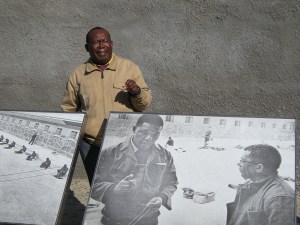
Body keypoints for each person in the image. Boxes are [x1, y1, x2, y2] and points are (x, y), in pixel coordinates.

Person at [60, 27, 152, 184]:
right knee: (97, 188)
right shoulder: (78, 74)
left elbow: (144, 104)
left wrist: (136, 92)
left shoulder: (129, 67)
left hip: (123, 145)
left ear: (112, 44)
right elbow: (68, 109)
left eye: (105, 41)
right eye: (96, 42)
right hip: (91, 145)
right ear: (87, 47)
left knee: (126, 185)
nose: (101, 45)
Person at [91, 114, 178, 225]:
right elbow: (92, 184)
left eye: (155, 134)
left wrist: (161, 198)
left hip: (149, 219)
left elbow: (171, 183)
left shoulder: (165, 155)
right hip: (114, 219)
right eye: (144, 132)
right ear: (134, 129)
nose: (149, 138)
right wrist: (114, 188)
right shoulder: (110, 153)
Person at [227, 144, 295, 225]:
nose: (239, 164)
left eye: (243, 161)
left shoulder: (280, 198)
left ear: (259, 167)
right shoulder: (249, 183)